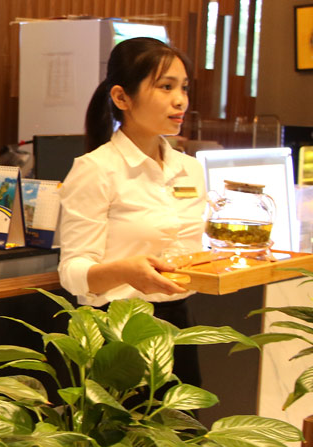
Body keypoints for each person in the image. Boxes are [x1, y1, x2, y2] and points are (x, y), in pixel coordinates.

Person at [57, 36, 204, 387]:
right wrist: (126, 271)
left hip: (179, 324)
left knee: (184, 421)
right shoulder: (96, 169)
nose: (180, 100)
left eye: (183, 87)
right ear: (122, 97)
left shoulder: (190, 169)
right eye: (166, 87)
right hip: (116, 330)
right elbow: (72, 272)